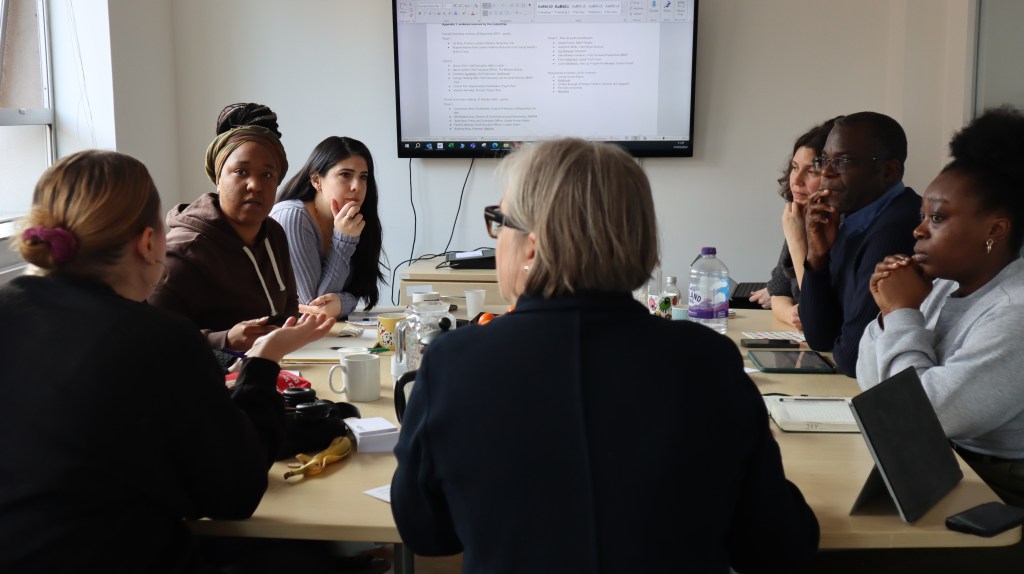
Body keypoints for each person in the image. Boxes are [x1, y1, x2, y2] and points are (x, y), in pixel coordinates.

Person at [390, 138, 819, 573]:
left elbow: (426, 532)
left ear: (533, 246)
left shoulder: (454, 363)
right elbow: (773, 547)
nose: (497, 238)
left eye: (500, 223)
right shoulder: (708, 362)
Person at [0, 150, 334, 572]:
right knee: (300, 559)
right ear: (148, 242)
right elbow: (234, 493)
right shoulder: (158, 339)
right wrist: (263, 362)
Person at [857, 106, 1024, 506]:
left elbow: (918, 417)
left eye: (938, 217)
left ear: (995, 230)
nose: (918, 230)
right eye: (922, 216)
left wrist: (900, 314)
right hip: (939, 467)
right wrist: (888, 311)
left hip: (1002, 496)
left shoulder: (1015, 310)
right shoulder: (940, 288)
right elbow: (869, 381)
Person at [149, 103, 299, 353]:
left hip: (273, 369)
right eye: (241, 172)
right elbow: (154, 339)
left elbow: (289, 305)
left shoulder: (273, 232)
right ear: (218, 178)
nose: (255, 185)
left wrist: (289, 330)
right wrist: (225, 340)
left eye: (268, 175)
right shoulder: (183, 252)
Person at [798, 111, 920, 377]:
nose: (827, 173)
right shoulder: (848, 219)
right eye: (824, 160)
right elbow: (819, 337)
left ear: (889, 171)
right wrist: (817, 257)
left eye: (842, 161)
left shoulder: (897, 228)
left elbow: (851, 358)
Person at [270, 136, 385, 318]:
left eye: (363, 177)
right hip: (280, 334)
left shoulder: (355, 219)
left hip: (322, 334)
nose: (357, 186)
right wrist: (344, 240)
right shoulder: (292, 217)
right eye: (345, 175)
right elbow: (314, 308)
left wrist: (344, 302)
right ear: (316, 180)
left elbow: (356, 292)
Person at [748, 117, 840, 327]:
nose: (796, 180)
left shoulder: (841, 225)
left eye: (811, 171)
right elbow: (777, 291)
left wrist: (796, 240)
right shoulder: (802, 213)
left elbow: (816, 308)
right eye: (795, 167)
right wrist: (790, 313)